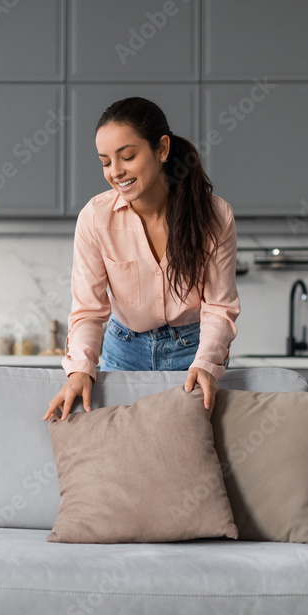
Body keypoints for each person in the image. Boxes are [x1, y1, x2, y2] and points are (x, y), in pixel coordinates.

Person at [43, 97, 239, 422]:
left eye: (128, 156)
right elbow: (89, 311)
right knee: (124, 452)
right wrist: (80, 369)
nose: (116, 172)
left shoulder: (215, 216)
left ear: (162, 149)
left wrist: (206, 363)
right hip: (123, 350)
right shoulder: (95, 218)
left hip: (194, 350)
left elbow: (219, 306)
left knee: (190, 452)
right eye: (105, 162)